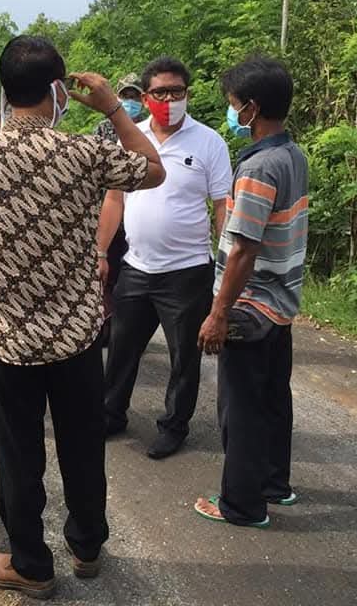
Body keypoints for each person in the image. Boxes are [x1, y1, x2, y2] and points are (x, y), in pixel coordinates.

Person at [0, 36, 165, 599]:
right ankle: (87, 547)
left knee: (18, 456)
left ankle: (31, 565)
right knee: (83, 446)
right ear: (58, 91)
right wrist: (113, 106)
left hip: (11, 341)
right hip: (78, 337)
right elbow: (154, 170)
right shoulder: (83, 152)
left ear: (4, 92)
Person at [97, 56, 233, 460]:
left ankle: (174, 425)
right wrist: (101, 250)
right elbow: (114, 198)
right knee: (121, 348)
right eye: (160, 92)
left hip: (187, 272)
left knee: (183, 357)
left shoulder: (209, 142)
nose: (168, 99)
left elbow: (222, 206)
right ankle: (110, 413)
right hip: (136, 266)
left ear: (187, 94)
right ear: (145, 96)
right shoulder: (132, 139)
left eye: (176, 92)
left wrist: (223, 266)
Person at [193, 57, 308, 528]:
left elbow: (243, 248)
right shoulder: (293, 155)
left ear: (252, 109)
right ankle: (273, 484)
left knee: (238, 407)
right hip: (281, 302)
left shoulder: (259, 167)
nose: (231, 113)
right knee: (273, 399)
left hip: (251, 304)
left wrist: (219, 313)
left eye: (233, 106)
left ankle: (241, 504)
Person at [94, 74, 144, 346]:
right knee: (106, 273)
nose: (130, 102)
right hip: (110, 211)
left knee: (130, 274)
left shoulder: (148, 130)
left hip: (137, 214)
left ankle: (127, 328)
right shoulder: (104, 129)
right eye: (125, 96)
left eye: (135, 97)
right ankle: (105, 325)